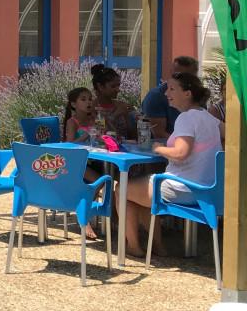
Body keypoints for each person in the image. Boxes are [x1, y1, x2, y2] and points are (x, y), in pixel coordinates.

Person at [123, 72, 221, 257]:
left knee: (122, 189)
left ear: (188, 93)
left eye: (172, 88)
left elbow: (180, 153)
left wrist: (158, 148)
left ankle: (134, 246)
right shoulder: (209, 117)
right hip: (208, 189)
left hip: (183, 188)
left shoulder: (186, 118)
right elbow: (228, 132)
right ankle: (157, 246)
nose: (166, 92)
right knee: (138, 190)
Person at [61, 87, 103, 239]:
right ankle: (84, 218)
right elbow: (69, 145)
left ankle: (112, 217)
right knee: (100, 181)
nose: (88, 102)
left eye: (90, 99)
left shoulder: (94, 120)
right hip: (76, 163)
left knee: (110, 178)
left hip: (94, 160)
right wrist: (86, 135)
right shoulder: (73, 122)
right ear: (73, 104)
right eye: (83, 99)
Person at [141, 56, 199, 140]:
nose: (181, 79)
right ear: (171, 73)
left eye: (188, 76)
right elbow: (159, 134)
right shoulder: (156, 96)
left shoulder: (197, 96)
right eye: (177, 75)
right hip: (163, 148)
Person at [90, 63, 136, 139]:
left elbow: (134, 137)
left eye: (118, 85)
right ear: (100, 86)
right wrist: (115, 115)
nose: (118, 90)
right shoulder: (92, 108)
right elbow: (101, 135)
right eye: (113, 86)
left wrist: (129, 117)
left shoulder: (123, 106)